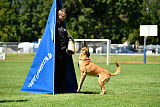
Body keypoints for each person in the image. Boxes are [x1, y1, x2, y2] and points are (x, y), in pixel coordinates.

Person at [54, 9, 77, 93]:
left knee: (63, 71)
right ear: (58, 15)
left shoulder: (63, 27)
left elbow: (66, 36)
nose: (64, 18)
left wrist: (70, 38)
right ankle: (55, 88)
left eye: (65, 16)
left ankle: (62, 89)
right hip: (57, 52)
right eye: (62, 16)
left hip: (65, 52)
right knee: (57, 70)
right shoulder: (54, 26)